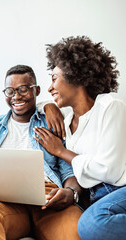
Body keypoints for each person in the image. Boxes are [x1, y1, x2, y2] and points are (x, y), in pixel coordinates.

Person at [0, 65, 82, 240]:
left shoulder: (53, 124)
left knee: (74, 230)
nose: (16, 96)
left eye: (23, 89)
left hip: (48, 199)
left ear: (36, 90)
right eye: (10, 91)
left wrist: (70, 193)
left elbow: (70, 171)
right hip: (2, 201)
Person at [33, 36, 126, 240]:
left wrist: (61, 151)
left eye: (54, 78)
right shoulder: (66, 119)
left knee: (91, 225)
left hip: (120, 188)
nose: (50, 87)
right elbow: (37, 104)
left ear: (76, 76)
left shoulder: (109, 105)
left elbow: (110, 170)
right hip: (95, 197)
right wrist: (48, 106)